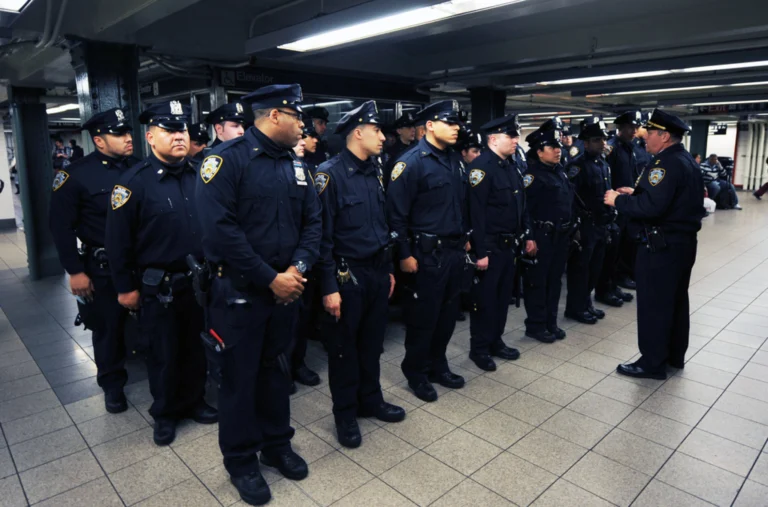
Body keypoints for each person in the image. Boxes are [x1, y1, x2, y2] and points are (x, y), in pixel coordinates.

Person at [195, 84, 321, 506]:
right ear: (274, 116)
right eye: (298, 116)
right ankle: (241, 460)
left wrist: (296, 271)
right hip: (240, 293)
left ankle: (276, 444)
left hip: (285, 291)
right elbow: (220, 231)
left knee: (276, 372)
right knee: (238, 379)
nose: (303, 125)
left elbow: (313, 224)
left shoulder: (295, 165)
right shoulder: (225, 161)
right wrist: (270, 277)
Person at [106, 101, 217, 446]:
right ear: (151, 137)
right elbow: (117, 242)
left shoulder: (203, 173)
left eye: (182, 129)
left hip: (200, 283)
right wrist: (125, 288)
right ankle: (166, 413)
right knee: (164, 353)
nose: (179, 136)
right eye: (170, 130)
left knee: (198, 349)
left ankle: (195, 401)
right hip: (160, 286)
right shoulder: (133, 183)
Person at [314, 101, 405, 448]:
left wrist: (389, 269)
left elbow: (382, 224)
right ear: (358, 132)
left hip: (377, 271)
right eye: (377, 130)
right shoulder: (329, 174)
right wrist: (327, 287)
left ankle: (371, 399)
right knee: (344, 350)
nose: (383, 136)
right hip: (346, 276)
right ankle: (345, 414)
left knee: (372, 344)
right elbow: (322, 237)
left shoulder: (375, 170)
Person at [49, 108, 139, 414]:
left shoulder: (140, 168)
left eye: (128, 133)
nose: (128, 138)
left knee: (154, 323)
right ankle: (112, 384)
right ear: (99, 141)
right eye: (120, 134)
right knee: (108, 327)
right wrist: (75, 271)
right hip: (102, 267)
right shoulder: (75, 176)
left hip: (141, 262)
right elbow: (61, 227)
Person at [604, 109, 705, 379]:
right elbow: (668, 198)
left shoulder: (664, 164)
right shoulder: (684, 160)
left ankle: (652, 363)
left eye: (649, 133)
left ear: (664, 136)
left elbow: (652, 207)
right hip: (681, 243)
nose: (645, 137)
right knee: (674, 301)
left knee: (654, 305)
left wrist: (619, 200)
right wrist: (635, 192)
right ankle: (673, 356)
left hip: (660, 246)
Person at [386, 99, 470, 402]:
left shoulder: (454, 160)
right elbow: (396, 215)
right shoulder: (410, 163)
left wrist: (465, 236)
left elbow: (459, 204)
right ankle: (416, 372)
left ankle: (438, 365)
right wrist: (405, 254)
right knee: (424, 318)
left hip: (453, 251)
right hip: (424, 255)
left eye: (457, 123)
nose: (456, 128)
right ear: (430, 125)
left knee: (447, 316)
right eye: (450, 122)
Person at [467, 114, 535, 372]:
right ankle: (480, 348)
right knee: (485, 300)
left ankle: (496, 340)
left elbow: (522, 204)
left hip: (510, 245)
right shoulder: (481, 168)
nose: (517, 140)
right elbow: (476, 213)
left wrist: (527, 234)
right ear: (493, 139)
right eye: (511, 136)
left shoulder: (512, 165)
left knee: (503, 297)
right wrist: (480, 251)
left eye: (516, 135)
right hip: (490, 247)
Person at [522, 126, 574, 343]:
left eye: (558, 146)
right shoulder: (532, 177)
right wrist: (529, 237)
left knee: (555, 281)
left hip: (561, 235)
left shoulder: (559, 172)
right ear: (538, 151)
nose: (557, 150)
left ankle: (550, 322)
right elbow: (524, 210)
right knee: (538, 282)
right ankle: (535, 325)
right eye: (551, 147)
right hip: (542, 236)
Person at [565, 117, 613, 324]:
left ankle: (586, 303)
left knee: (595, 268)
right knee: (580, 270)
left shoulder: (602, 164)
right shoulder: (577, 167)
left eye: (603, 139)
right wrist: (575, 227)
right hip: (585, 225)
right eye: (596, 140)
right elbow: (570, 199)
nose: (602, 143)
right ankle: (575, 308)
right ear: (586, 143)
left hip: (601, 223)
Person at [289, 123, 322, 393]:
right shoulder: (275, 169)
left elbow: (314, 218)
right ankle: (282, 367)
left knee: (302, 314)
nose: (302, 142)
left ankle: (298, 363)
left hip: (305, 256)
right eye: (298, 138)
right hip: (280, 261)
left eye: (304, 139)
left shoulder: (309, 171)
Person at [597, 110, 642, 306]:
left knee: (623, 245)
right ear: (620, 128)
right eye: (630, 127)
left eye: (635, 127)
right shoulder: (613, 149)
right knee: (611, 249)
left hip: (626, 203)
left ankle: (615, 282)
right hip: (614, 204)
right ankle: (606, 286)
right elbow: (606, 178)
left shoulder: (629, 148)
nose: (634, 131)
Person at [383, 111, 416, 184]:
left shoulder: (417, 147)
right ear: (399, 131)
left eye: (413, 126)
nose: (413, 130)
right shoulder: (392, 152)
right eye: (409, 127)